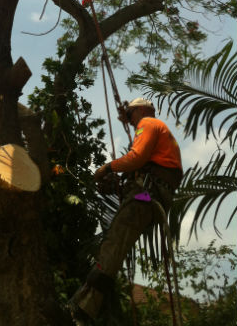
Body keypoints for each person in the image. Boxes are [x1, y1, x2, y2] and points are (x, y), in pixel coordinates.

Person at [69, 97, 183, 325]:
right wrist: (120, 183)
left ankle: (84, 307)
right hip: (151, 195)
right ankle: (97, 307)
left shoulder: (148, 124)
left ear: (141, 110)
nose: (130, 122)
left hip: (146, 195)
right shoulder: (158, 133)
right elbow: (142, 165)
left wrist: (106, 167)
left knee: (113, 243)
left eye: (131, 116)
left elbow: (135, 158)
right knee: (116, 243)